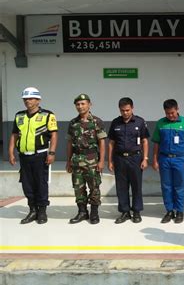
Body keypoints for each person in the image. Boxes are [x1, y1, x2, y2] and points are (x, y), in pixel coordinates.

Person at [8, 87, 58, 224]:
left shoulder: (48, 115)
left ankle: (42, 212)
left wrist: (52, 152)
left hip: (40, 156)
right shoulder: (19, 116)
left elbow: (54, 135)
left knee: (41, 183)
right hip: (24, 156)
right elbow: (14, 135)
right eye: (25, 99)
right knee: (27, 184)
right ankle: (32, 210)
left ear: (38, 100)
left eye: (30, 98)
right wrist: (11, 152)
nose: (27, 101)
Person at [108, 97, 150, 224]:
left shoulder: (140, 122)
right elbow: (111, 143)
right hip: (119, 158)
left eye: (127, 110)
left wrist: (145, 158)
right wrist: (110, 161)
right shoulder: (115, 123)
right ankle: (125, 212)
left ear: (132, 108)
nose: (125, 113)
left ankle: (136, 211)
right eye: (122, 110)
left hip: (135, 158)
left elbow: (144, 141)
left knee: (136, 185)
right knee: (121, 186)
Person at [152, 99, 184, 224]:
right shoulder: (160, 123)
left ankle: (179, 211)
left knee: (180, 186)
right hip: (164, 159)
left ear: (177, 109)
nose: (170, 115)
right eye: (167, 113)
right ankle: (169, 211)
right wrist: (154, 160)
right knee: (166, 186)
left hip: (180, 159)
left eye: (172, 113)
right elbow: (156, 143)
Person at [66, 94, 107, 224]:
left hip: (92, 160)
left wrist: (101, 161)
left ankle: (94, 213)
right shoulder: (73, 123)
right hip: (77, 159)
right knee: (78, 187)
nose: (80, 106)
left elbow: (102, 142)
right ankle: (82, 212)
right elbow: (69, 143)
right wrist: (68, 161)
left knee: (94, 187)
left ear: (89, 104)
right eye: (78, 104)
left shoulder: (96, 121)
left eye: (83, 103)